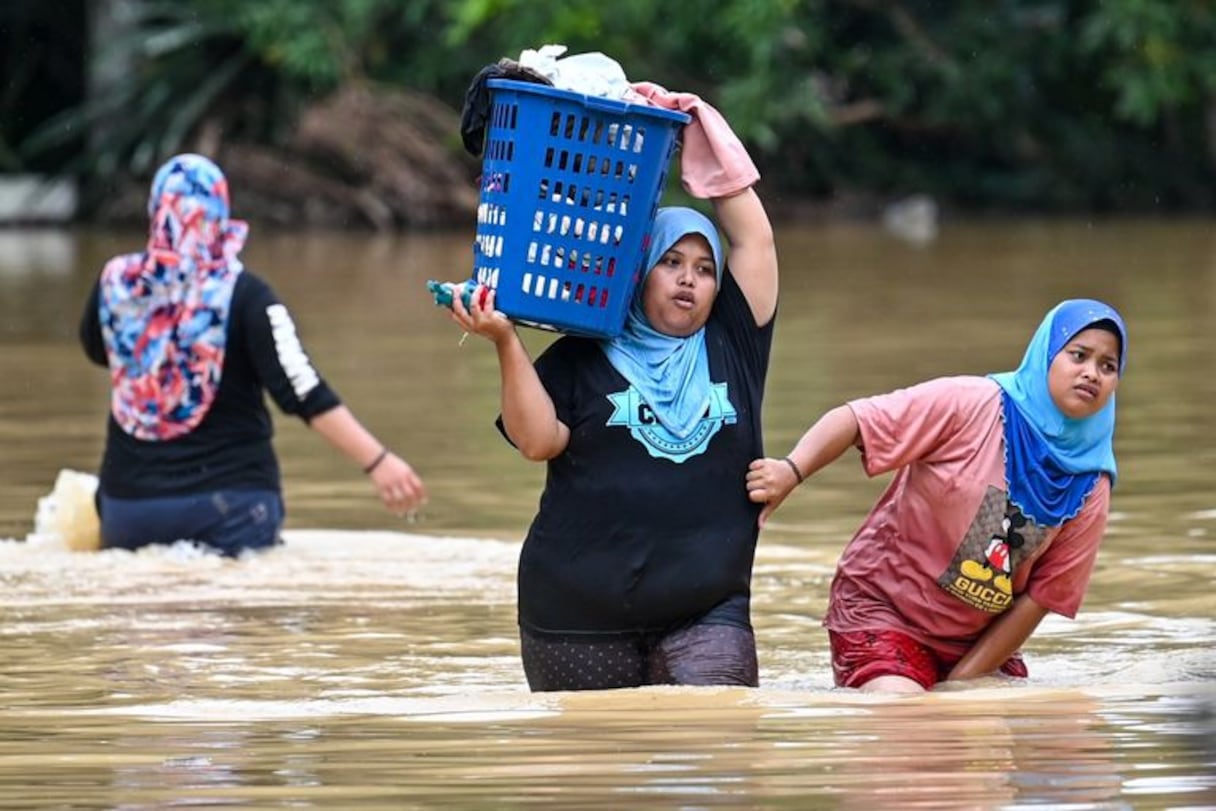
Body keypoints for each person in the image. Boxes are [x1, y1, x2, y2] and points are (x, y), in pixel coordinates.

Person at [443, 118, 777, 691]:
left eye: (703, 270)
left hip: (707, 608)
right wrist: (504, 340)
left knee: (716, 747)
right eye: (671, 263)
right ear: (639, 271)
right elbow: (536, 441)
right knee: (594, 773)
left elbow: (754, 238)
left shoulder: (735, 341)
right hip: (576, 616)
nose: (688, 281)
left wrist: (696, 118)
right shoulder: (583, 354)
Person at [746, 299, 1127, 692]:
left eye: (1107, 366)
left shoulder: (1091, 485)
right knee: (905, 711)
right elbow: (857, 420)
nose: (1091, 374)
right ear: (1045, 355)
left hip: (977, 642)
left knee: (1001, 720)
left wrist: (961, 684)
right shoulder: (971, 403)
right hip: (883, 612)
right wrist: (789, 471)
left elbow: (1040, 598)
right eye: (1078, 356)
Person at [79, 153, 426, 557]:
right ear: (220, 214)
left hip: (129, 513)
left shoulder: (116, 287)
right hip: (227, 511)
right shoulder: (247, 296)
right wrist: (378, 461)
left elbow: (99, 351)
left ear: (156, 213)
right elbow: (302, 389)